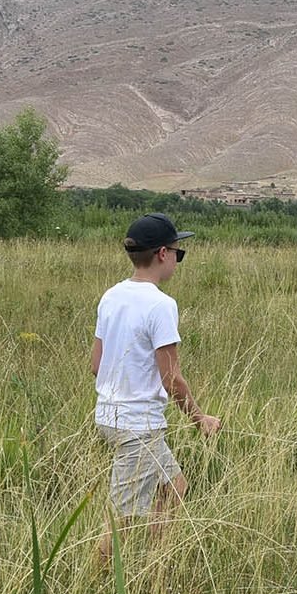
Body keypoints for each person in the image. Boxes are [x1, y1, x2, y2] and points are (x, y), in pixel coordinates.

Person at [92, 212, 222, 558]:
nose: (178, 260)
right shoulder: (161, 305)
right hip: (138, 426)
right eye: (179, 252)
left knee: (174, 487)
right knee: (121, 520)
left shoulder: (111, 296)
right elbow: (171, 379)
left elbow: (96, 365)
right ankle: (95, 580)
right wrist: (200, 419)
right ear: (163, 253)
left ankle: (156, 563)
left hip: (110, 417)